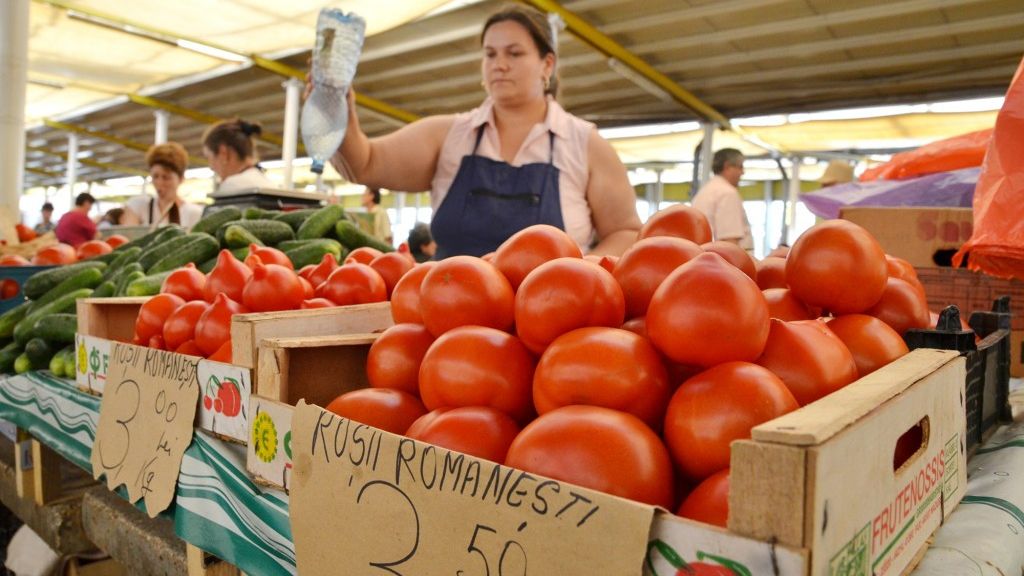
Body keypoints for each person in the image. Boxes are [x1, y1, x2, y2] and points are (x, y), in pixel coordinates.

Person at [325, 5, 640, 257]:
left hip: (551, 318)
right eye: (490, 54)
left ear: (547, 65)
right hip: (451, 313)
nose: (499, 64)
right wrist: (337, 112)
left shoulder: (585, 145)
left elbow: (625, 231)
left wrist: (587, 271)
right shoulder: (448, 135)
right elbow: (364, 163)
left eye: (514, 53)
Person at [123, 142, 204, 229]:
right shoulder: (138, 206)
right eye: (155, 176)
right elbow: (128, 237)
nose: (159, 182)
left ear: (181, 179)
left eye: (166, 177)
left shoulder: (194, 213)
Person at [692, 148, 753, 253]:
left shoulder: (705, 191)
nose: (743, 172)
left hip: (706, 258)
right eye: (740, 167)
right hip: (724, 262)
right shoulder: (727, 193)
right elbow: (729, 241)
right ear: (727, 166)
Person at [202, 119, 275, 194]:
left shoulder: (233, 185)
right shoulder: (268, 184)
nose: (211, 167)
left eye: (209, 158)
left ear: (224, 153)